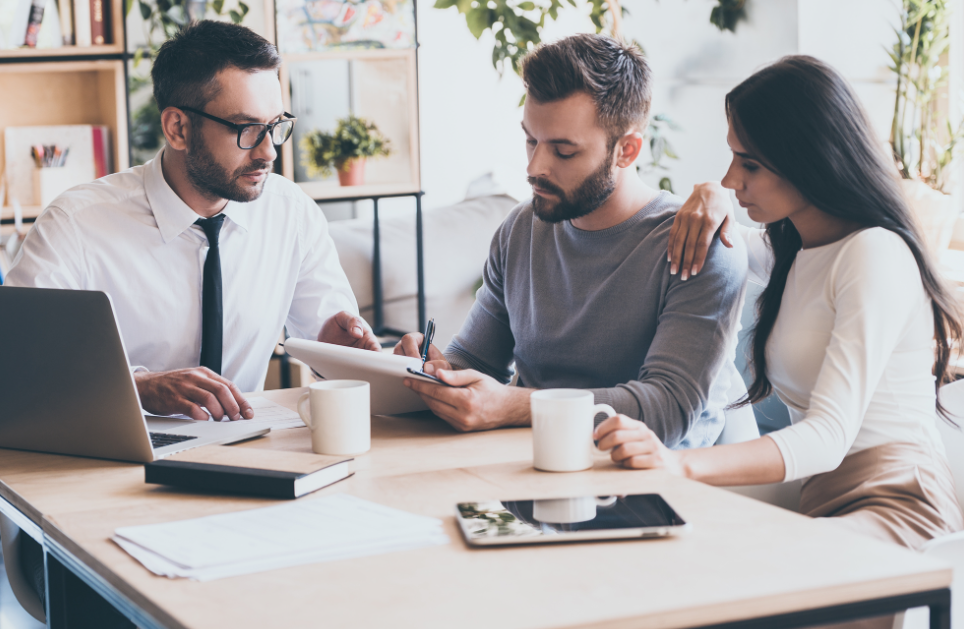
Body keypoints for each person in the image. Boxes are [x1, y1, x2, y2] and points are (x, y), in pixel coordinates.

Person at [595, 55, 964, 550]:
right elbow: (722, 238)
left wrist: (678, 462)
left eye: (749, 164)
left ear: (810, 158)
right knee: (663, 542)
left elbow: (829, 435)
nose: (731, 178)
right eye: (732, 159)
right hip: (823, 497)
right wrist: (710, 195)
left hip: (897, 504)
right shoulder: (796, 251)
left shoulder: (874, 252)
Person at [5, 20, 379, 422]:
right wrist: (138, 387)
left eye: (275, 126)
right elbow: (15, 364)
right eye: (247, 129)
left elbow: (335, 351)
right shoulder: (75, 225)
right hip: (116, 458)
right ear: (177, 128)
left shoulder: (292, 213)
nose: (269, 151)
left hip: (245, 448)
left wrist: (342, 354)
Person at [394, 33, 749, 449]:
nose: (534, 167)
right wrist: (432, 371)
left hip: (649, 488)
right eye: (531, 139)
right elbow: (474, 360)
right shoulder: (521, 229)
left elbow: (667, 409)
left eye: (563, 152)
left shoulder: (698, 244)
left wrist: (514, 405)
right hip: (528, 469)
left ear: (627, 150)